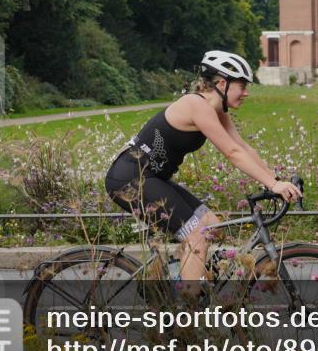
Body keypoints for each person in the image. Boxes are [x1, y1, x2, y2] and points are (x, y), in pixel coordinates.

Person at [105, 50, 302, 296]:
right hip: (129, 179)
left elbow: (242, 147)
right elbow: (231, 153)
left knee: (211, 226)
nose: (246, 92)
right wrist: (273, 185)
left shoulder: (217, 110)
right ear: (222, 83)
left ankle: (176, 285)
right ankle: (189, 318)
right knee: (197, 236)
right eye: (242, 85)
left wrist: (276, 179)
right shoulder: (195, 105)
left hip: (152, 178)